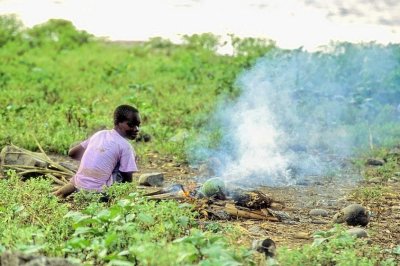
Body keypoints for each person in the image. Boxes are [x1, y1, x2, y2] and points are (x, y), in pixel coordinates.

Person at [54, 104, 141, 198]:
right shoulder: (126, 146)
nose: (136, 129)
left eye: (138, 125)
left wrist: (94, 156)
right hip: (99, 194)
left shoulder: (99, 134)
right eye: (131, 125)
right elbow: (127, 180)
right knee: (128, 161)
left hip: (79, 185)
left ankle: (63, 192)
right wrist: (129, 197)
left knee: (89, 169)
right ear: (118, 122)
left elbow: (72, 153)